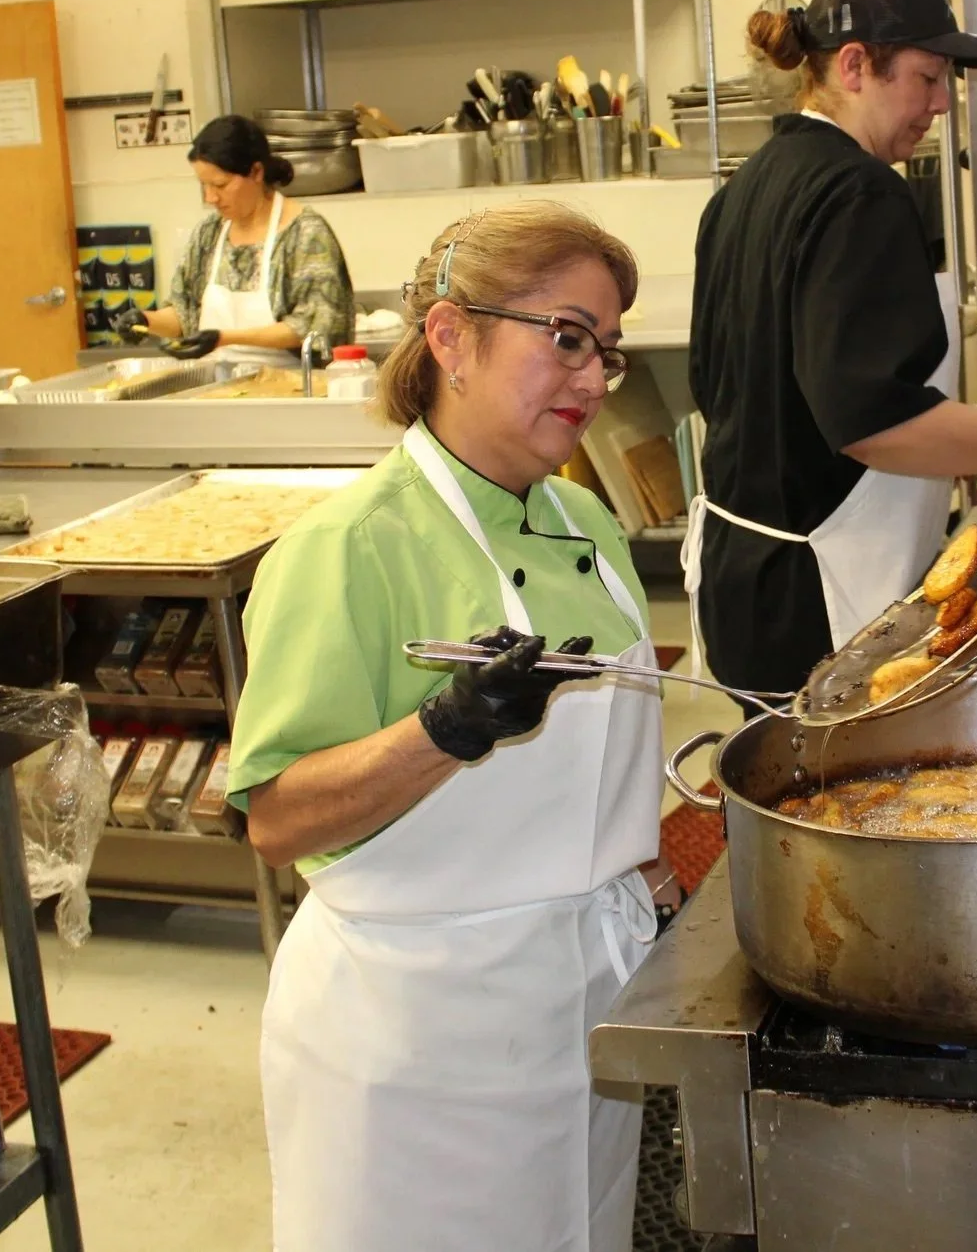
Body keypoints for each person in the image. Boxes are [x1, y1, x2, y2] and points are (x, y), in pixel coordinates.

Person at [228, 203, 679, 1252]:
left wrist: (645, 871)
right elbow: (276, 817)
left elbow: (591, 766)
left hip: (583, 1011)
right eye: (565, 336)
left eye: (604, 350)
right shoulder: (347, 546)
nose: (590, 377)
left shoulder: (585, 519)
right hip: (422, 1036)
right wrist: (445, 726)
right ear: (448, 337)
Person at [688, 0, 977, 696]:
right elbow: (871, 419)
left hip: (744, 584)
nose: (940, 105)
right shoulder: (862, 193)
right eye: (926, 79)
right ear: (856, 64)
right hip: (826, 594)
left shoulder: (750, 182)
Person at [125, 114, 353, 361]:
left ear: (256, 172)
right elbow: (184, 314)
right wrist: (146, 320)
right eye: (204, 186)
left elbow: (317, 326)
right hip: (217, 389)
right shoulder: (209, 233)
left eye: (220, 185)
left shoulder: (306, 234)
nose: (211, 198)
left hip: (290, 388)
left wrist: (224, 339)